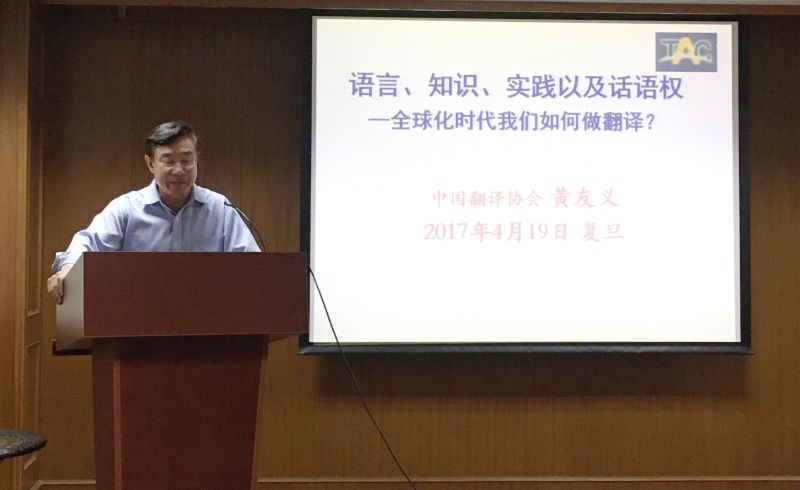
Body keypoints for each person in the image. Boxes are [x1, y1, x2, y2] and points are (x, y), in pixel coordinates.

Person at [47, 121, 261, 304]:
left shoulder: (220, 208)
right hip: (138, 321)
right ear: (150, 164)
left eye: (187, 160)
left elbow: (253, 266)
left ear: (196, 161)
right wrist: (67, 269)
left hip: (207, 319)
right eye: (168, 161)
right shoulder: (127, 209)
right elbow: (87, 243)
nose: (179, 170)